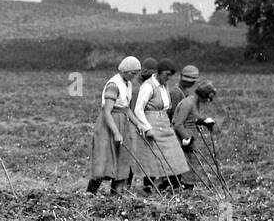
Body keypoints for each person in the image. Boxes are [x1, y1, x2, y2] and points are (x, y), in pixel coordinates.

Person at [132, 58, 189, 191]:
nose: (168, 78)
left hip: (164, 124)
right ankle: (148, 188)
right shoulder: (148, 86)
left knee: (175, 155)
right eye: (166, 74)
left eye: (170, 75)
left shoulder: (164, 86)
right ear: (159, 72)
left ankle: (173, 186)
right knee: (152, 158)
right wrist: (147, 128)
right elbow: (138, 110)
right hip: (152, 124)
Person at [86, 56, 141, 195]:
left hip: (122, 123)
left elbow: (126, 108)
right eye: (133, 73)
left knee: (123, 160)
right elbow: (107, 111)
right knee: (104, 160)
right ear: (126, 71)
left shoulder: (127, 84)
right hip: (108, 125)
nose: (134, 77)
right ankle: (90, 194)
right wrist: (116, 132)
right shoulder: (114, 85)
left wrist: (138, 124)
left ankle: (116, 195)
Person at [172, 78, 217, 188]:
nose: (208, 101)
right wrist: (186, 138)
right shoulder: (188, 103)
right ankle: (181, 188)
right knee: (184, 165)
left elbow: (193, 118)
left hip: (190, 139)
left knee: (191, 164)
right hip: (182, 140)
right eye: (207, 98)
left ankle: (187, 187)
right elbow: (178, 124)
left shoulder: (195, 102)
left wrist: (204, 121)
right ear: (203, 95)